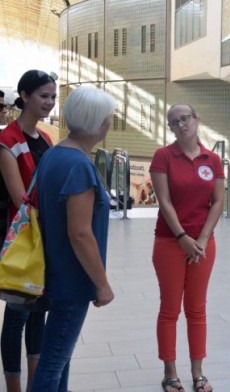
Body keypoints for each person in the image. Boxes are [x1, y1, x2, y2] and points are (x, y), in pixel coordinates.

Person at [30, 86, 115, 391]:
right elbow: (79, 233)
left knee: (59, 361)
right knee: (53, 364)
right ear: (100, 124)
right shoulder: (78, 165)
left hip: (53, 272)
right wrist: (102, 284)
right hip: (71, 281)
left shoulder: (54, 153)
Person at [150, 104, 224, 392]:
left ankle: (198, 372)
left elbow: (217, 202)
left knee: (197, 309)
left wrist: (203, 239)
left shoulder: (213, 159)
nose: (181, 124)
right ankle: (170, 372)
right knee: (170, 310)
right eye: (174, 122)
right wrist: (182, 236)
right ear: (170, 128)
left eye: (185, 118)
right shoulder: (163, 156)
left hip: (204, 245)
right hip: (170, 242)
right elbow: (164, 201)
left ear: (196, 120)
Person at [0, 70, 57, 392]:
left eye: (52, 97)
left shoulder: (45, 139)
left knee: (38, 313)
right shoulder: (7, 141)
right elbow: (19, 199)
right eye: (43, 96)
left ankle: (36, 384)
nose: (49, 102)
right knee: (17, 315)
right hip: (23, 241)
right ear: (24, 95)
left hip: (44, 239)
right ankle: (14, 387)